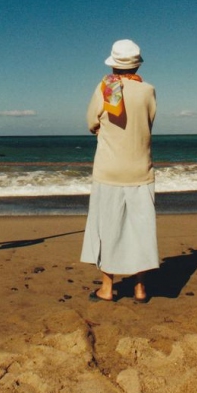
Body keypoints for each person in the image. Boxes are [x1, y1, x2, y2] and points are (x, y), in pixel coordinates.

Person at [80, 39, 159, 303]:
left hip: (109, 171)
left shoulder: (106, 88)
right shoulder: (148, 90)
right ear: (136, 63)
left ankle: (106, 287)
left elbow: (91, 121)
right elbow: (147, 122)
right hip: (140, 170)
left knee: (107, 229)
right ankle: (140, 288)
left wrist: (102, 128)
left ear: (114, 64)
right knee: (140, 230)